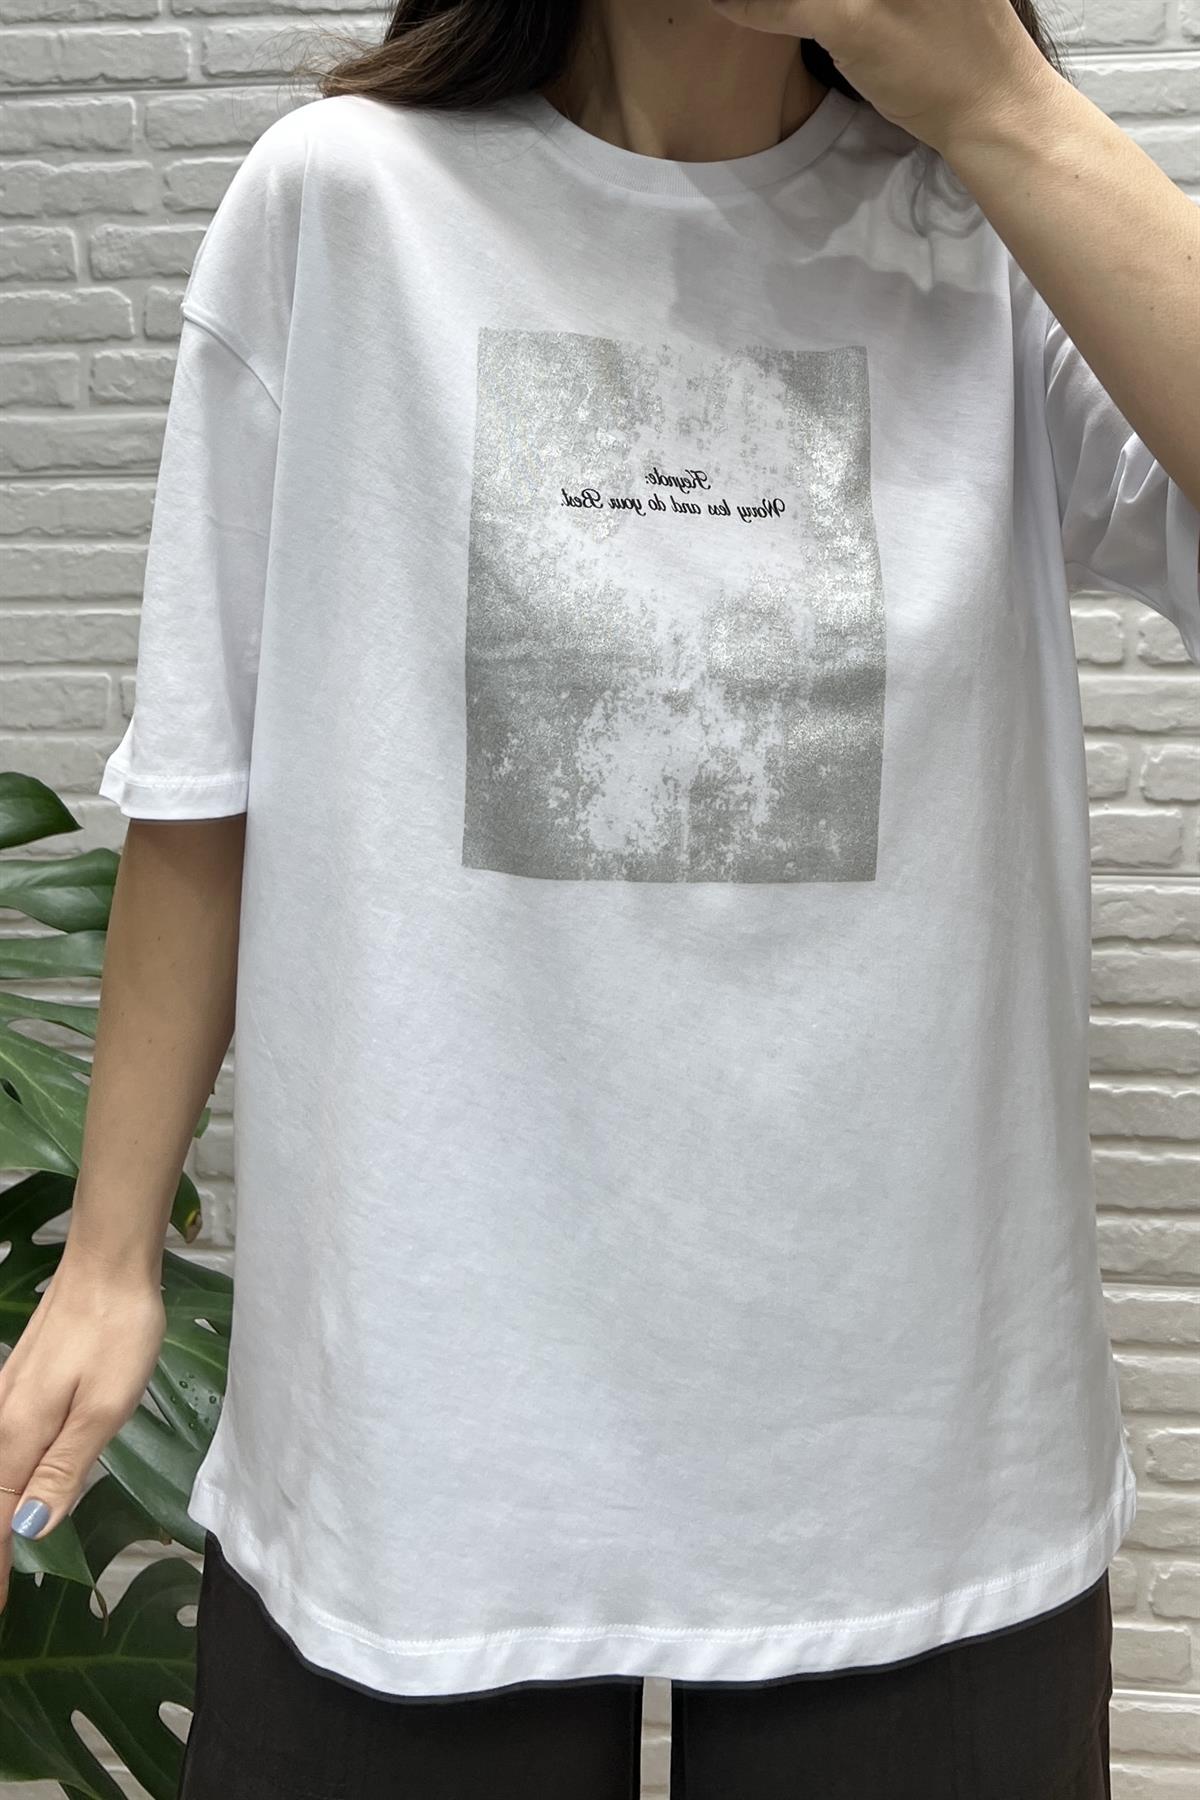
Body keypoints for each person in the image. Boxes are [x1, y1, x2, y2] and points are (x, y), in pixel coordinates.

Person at [3, 1, 1198, 1795]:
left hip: (910, 1425)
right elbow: (204, 779)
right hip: (425, 1398)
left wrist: (1005, 106)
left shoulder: (990, 234)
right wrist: (107, 1260)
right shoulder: (342, 204)